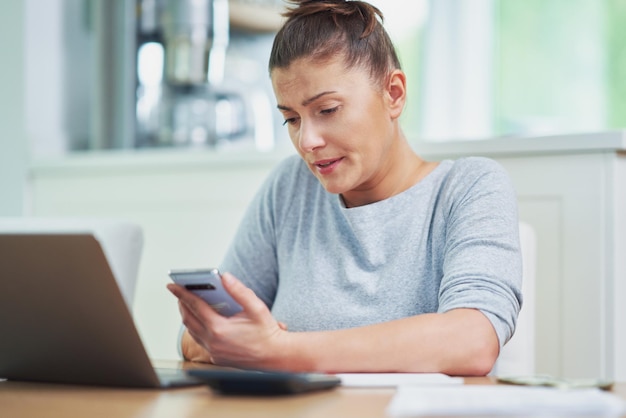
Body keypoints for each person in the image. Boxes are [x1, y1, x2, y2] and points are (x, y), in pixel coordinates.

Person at [167, 0, 522, 376]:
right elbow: (198, 336)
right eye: (291, 118)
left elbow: (472, 341)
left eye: (328, 109)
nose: (307, 141)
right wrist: (230, 339)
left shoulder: (470, 188)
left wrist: (276, 350)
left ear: (394, 94)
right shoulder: (290, 188)